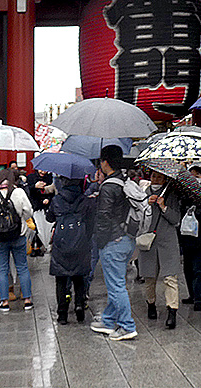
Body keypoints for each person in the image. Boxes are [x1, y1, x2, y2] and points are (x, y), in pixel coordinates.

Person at [90, 144, 138, 341]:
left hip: (113, 241)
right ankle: (109, 320)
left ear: (105, 162)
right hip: (127, 239)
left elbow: (104, 217)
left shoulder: (109, 186)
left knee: (116, 285)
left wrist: (101, 242)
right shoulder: (123, 181)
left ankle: (127, 326)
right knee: (115, 282)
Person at [0, 168, 34, 312]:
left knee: (3, 268)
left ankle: (4, 302)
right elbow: (29, 211)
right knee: (22, 266)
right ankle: (27, 300)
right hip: (19, 235)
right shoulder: (19, 192)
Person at [46, 175, 94, 324]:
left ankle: (62, 314)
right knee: (79, 277)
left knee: (61, 279)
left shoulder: (57, 200)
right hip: (80, 242)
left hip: (61, 243)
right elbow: (91, 223)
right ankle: (79, 305)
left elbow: (49, 218)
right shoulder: (85, 200)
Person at [139, 169, 182, 329]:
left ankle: (172, 311)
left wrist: (164, 207)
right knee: (149, 277)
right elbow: (137, 216)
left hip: (168, 241)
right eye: (153, 176)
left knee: (170, 278)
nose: (156, 179)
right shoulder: (143, 193)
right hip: (148, 241)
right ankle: (151, 304)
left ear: (165, 179)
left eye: (159, 177)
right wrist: (146, 205)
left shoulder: (172, 195)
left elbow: (176, 219)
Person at [179, 167, 201, 311]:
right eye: (191, 175)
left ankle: (198, 298)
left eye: (197, 175)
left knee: (198, 270)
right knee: (187, 269)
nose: (194, 177)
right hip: (186, 239)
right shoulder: (183, 195)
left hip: (200, 239)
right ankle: (191, 295)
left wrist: (198, 209)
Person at [26, 168, 54, 256]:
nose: (42, 172)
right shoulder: (31, 177)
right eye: (40, 170)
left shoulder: (50, 179)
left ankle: (44, 245)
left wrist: (48, 199)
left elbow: (53, 193)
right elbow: (27, 190)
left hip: (46, 207)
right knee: (35, 227)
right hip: (35, 206)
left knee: (46, 227)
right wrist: (35, 186)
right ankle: (35, 247)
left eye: (45, 170)